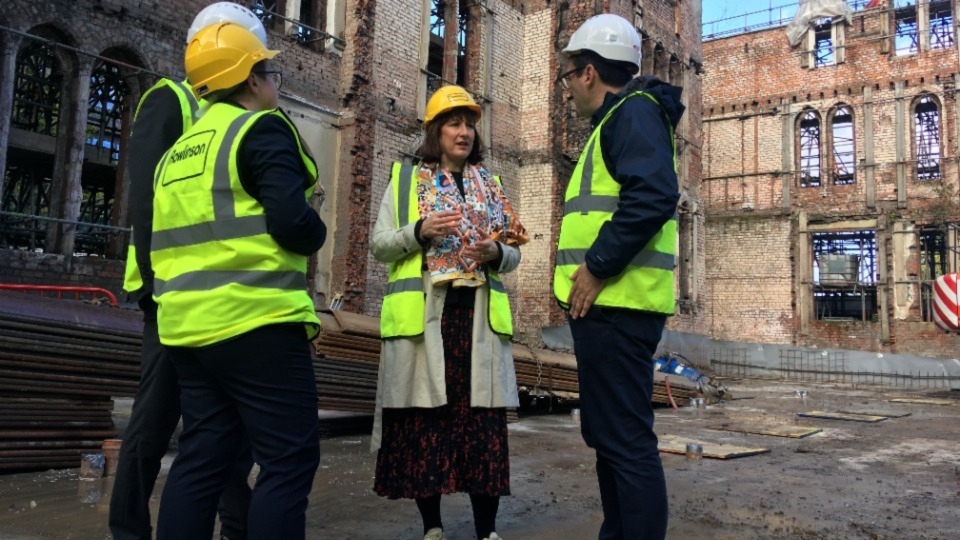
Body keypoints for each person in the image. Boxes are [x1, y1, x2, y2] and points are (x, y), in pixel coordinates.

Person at [150, 21, 324, 540]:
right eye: (271, 72)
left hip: (188, 333)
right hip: (257, 323)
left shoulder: (177, 154)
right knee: (288, 462)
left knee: (201, 460)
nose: (275, 84)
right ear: (252, 79)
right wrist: (315, 222)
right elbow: (295, 226)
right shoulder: (259, 129)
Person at [110, 4, 268, 539]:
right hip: (171, 294)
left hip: (224, 298)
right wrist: (157, 284)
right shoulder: (171, 100)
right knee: (153, 424)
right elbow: (144, 203)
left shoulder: (240, 115)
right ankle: (129, 530)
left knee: (219, 426)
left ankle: (236, 526)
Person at [370, 85, 528, 540]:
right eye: (455, 123)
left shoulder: (491, 186)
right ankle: (433, 527)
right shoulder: (405, 182)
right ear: (436, 131)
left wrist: (496, 252)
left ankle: (487, 531)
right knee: (428, 423)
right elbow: (380, 244)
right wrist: (418, 231)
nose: (464, 132)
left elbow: (515, 255)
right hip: (428, 322)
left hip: (476, 321)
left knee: (483, 427)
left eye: (470, 124)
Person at [553, 13, 684, 540]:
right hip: (611, 309)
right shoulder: (621, 121)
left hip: (618, 306)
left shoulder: (632, 115)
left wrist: (596, 267)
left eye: (567, 76)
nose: (566, 90)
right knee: (610, 436)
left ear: (588, 73)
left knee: (625, 440)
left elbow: (652, 196)